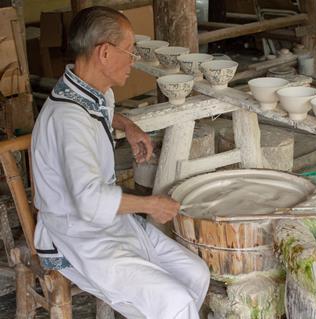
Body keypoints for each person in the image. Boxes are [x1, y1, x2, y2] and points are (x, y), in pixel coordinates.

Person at [31, 6, 210, 319]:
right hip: (77, 232)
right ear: (104, 52)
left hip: (109, 220)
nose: (134, 60)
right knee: (174, 301)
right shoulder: (67, 120)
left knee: (196, 273)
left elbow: (100, 110)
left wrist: (127, 125)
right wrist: (151, 205)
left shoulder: (91, 89)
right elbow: (88, 200)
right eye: (129, 51)